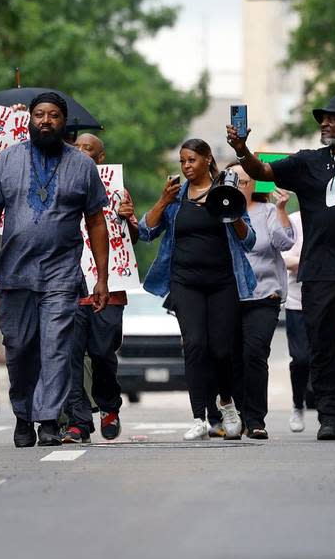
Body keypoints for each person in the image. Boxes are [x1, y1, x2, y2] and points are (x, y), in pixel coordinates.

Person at [228, 95, 335, 441]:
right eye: (322, 119)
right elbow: (262, 172)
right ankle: (329, 413)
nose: (324, 124)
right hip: (320, 268)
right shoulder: (307, 162)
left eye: (332, 119)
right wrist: (242, 149)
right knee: (321, 345)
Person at [0, 92, 111, 448]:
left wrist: (102, 276)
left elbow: (96, 222)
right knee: (19, 347)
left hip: (61, 273)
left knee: (56, 348)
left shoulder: (82, 166)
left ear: (64, 122)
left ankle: (48, 419)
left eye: (53, 115)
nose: (45, 121)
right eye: (39, 115)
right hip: (15, 273)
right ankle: (23, 414)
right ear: (30, 119)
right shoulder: (8, 159)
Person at [139, 140, 256, 441]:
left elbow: (249, 239)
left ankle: (227, 403)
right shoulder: (176, 198)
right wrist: (163, 201)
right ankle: (198, 417)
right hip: (184, 281)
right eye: (182, 161)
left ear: (207, 160)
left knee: (221, 349)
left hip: (222, 282)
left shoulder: (225, 192)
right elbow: (145, 231)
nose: (187, 166)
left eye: (192, 160)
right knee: (194, 345)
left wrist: (231, 210)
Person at [61, 133, 137, 444]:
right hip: (69, 285)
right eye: (76, 147)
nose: (81, 153)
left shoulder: (117, 191)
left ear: (100, 157)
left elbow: (136, 237)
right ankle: (79, 422)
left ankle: (109, 406)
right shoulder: (61, 186)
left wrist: (128, 220)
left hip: (111, 286)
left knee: (103, 352)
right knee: (70, 355)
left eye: (88, 149)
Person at [229, 165, 295, 439]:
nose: (237, 185)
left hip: (263, 295)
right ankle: (238, 415)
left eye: (242, 181)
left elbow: (285, 243)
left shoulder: (266, 212)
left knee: (254, 354)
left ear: (252, 185)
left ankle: (255, 419)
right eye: (232, 180)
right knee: (231, 358)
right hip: (229, 296)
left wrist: (280, 209)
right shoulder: (220, 213)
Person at [281, 210, 311, 431]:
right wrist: (315, 263)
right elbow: (285, 259)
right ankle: (297, 405)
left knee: (327, 356)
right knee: (300, 359)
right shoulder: (293, 220)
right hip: (297, 302)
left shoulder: (330, 215)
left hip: (328, 300)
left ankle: (331, 407)